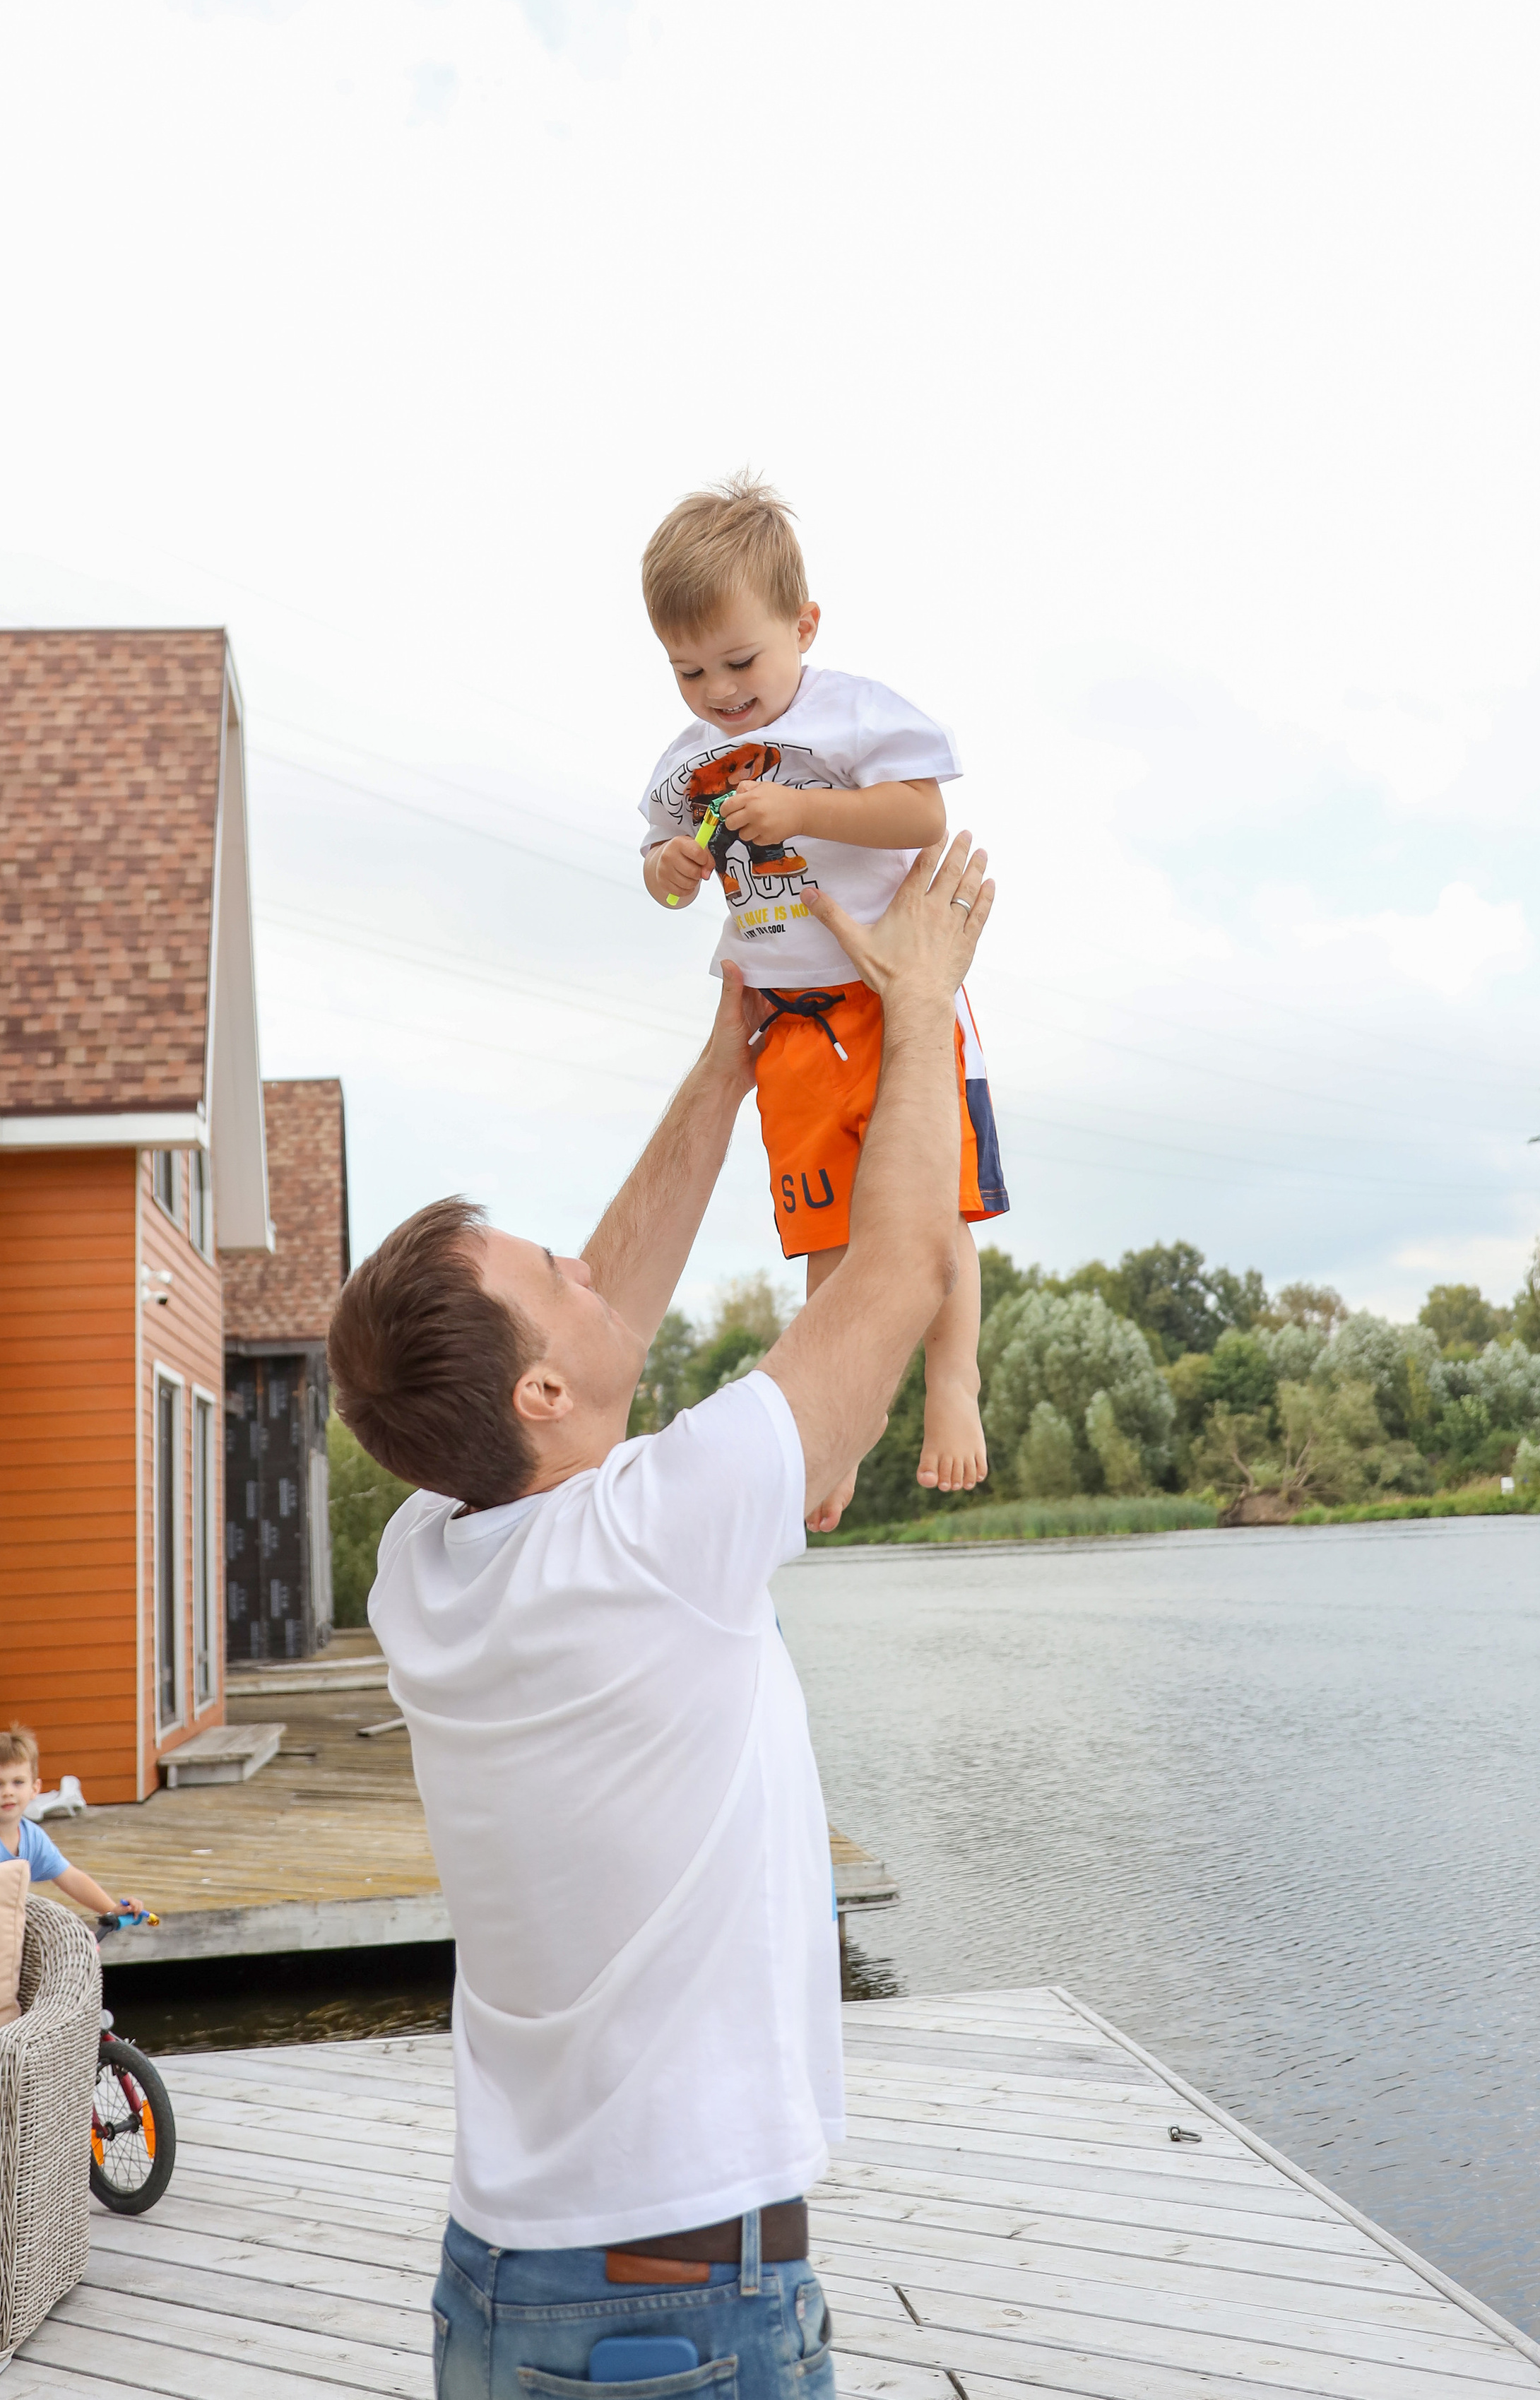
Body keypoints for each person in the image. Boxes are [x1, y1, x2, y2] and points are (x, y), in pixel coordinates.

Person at [329, 832, 995, 2400]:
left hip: (513, 2286)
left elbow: (586, 1327)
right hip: (675, 2317)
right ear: (540, 1395)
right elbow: (894, 1275)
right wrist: (912, 1012)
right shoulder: (657, 1533)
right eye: (550, 1269)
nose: (585, 1260)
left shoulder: (429, 1563)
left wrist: (728, 1057)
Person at [639, 474, 1007, 1515]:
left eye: (742, 660)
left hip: (892, 998)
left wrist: (801, 805)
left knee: (932, 1208)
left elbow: (920, 817)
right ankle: (840, 1428)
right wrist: (664, 870)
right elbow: (661, 861)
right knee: (824, 1235)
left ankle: (951, 1380)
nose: (719, 692)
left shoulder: (853, 714)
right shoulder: (686, 765)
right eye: (689, 672)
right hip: (790, 1030)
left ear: (803, 625)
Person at [0, 1724, 140, 1918]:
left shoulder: (32, 1836)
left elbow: (70, 1877)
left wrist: (111, 1909)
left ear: (35, 1789)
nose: (8, 1792)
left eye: (18, 1782)